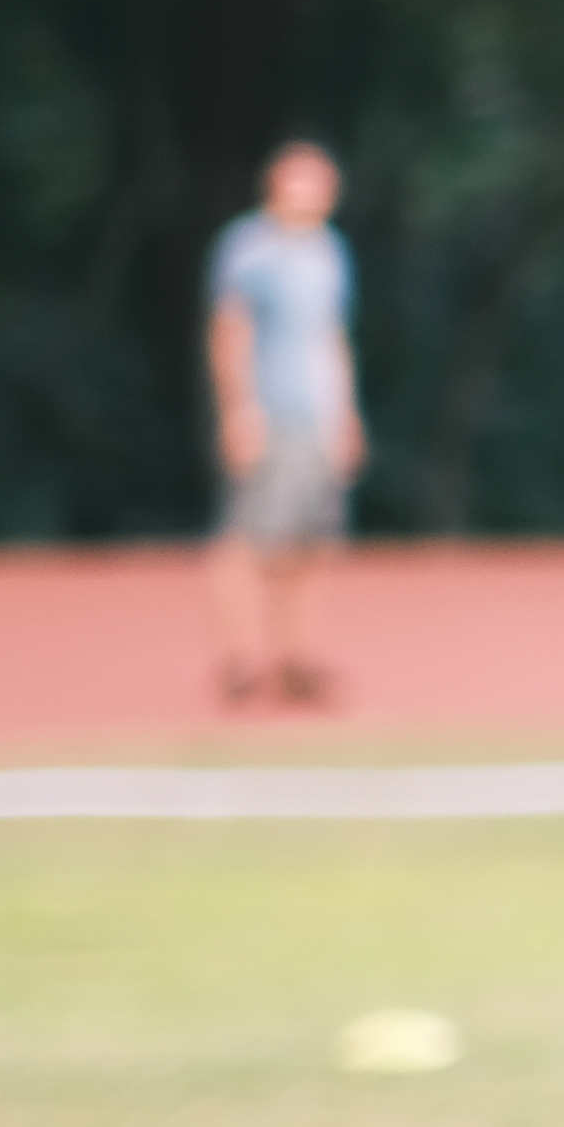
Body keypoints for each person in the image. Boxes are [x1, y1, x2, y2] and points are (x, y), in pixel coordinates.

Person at [203, 139, 364, 710]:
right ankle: (242, 659)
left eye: (323, 182)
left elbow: (332, 337)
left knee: (310, 543)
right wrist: (238, 411)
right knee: (249, 538)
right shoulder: (250, 248)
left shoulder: (328, 251)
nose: (318, 192)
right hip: (271, 415)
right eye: (306, 181)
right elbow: (230, 332)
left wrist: (345, 414)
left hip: (316, 417)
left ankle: (294, 658)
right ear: (277, 185)